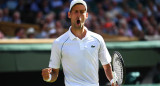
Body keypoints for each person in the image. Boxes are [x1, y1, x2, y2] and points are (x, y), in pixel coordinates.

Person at [42, 0, 118, 86]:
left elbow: (107, 66)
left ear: (86, 15)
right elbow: (54, 73)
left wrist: (112, 81)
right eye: (75, 12)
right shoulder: (58, 42)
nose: (79, 15)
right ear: (69, 14)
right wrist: (48, 77)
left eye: (82, 12)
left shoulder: (98, 39)